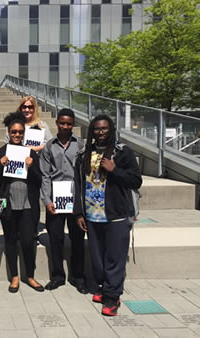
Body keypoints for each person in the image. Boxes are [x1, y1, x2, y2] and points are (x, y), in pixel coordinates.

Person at [74, 114, 142, 316]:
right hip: (93, 215)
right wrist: (79, 213)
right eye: (96, 129)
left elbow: (135, 181)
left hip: (116, 215)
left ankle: (113, 297)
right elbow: (78, 185)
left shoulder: (122, 153)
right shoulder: (84, 154)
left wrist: (115, 170)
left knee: (114, 258)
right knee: (98, 258)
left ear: (111, 130)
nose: (100, 132)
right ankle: (104, 287)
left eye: (104, 128)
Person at [0, 112, 44, 293]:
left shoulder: (30, 154)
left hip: (28, 205)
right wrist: (1, 166)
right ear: (8, 132)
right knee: (11, 241)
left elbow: (39, 180)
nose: (17, 135)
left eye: (20, 132)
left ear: (24, 134)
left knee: (28, 241)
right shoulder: (0, 153)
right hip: (9, 205)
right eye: (14, 132)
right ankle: (14, 277)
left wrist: (31, 166)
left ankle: (29, 275)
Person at [39, 108, 87, 294]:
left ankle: (78, 277)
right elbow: (45, 175)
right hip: (56, 199)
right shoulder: (49, 146)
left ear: (73, 124)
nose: (65, 126)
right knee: (55, 239)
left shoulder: (81, 145)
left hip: (75, 200)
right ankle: (58, 276)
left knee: (77, 239)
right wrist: (47, 200)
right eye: (62, 123)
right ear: (57, 123)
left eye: (69, 123)